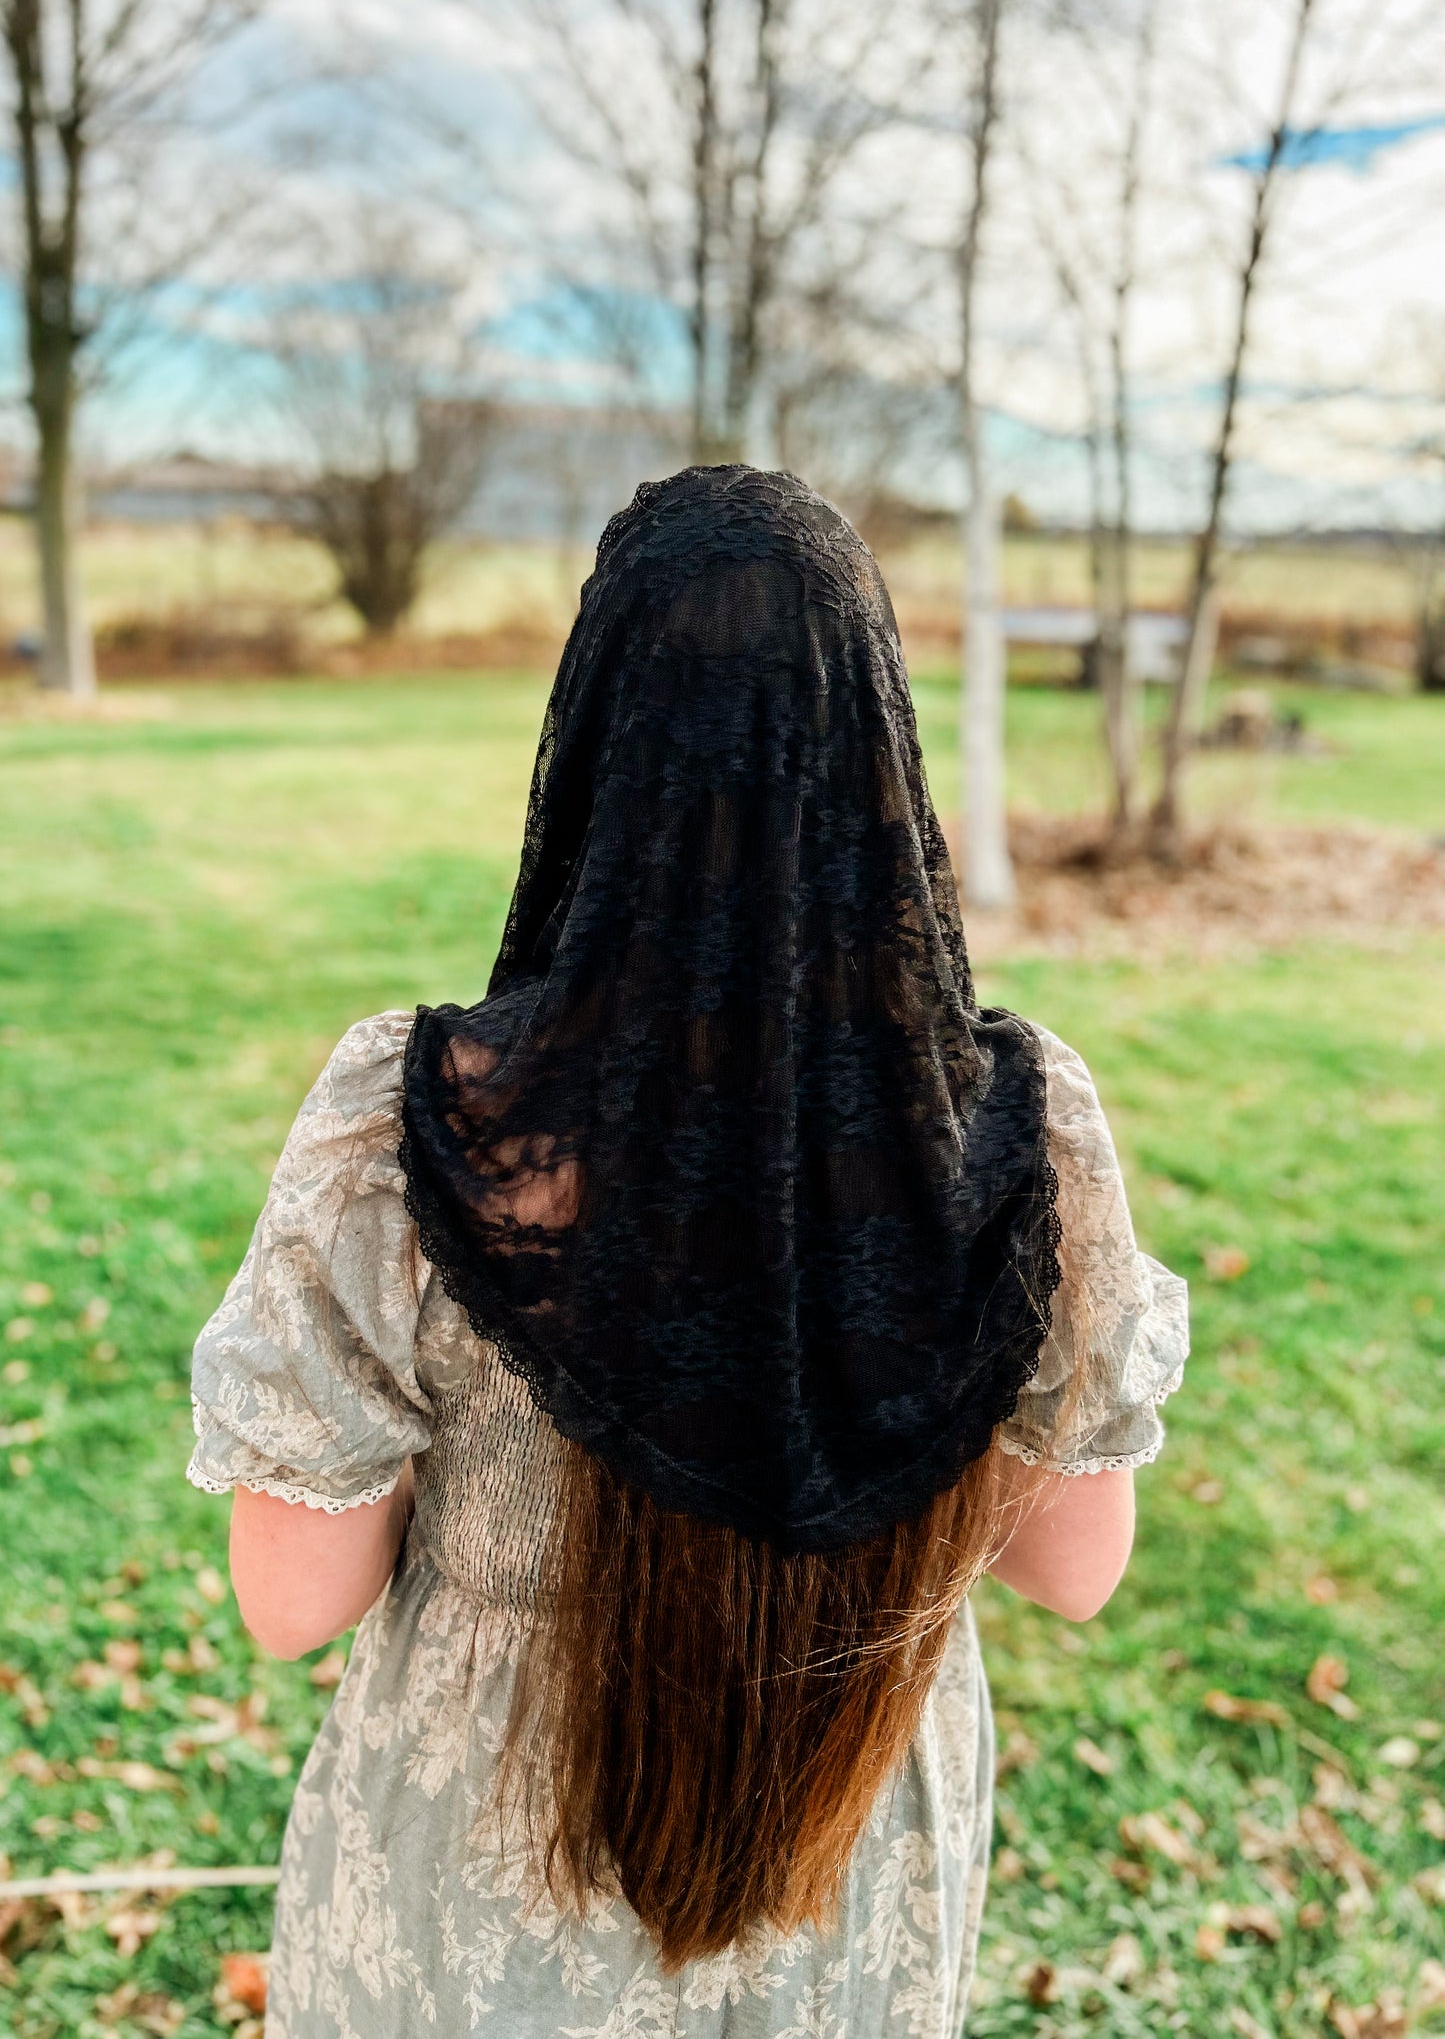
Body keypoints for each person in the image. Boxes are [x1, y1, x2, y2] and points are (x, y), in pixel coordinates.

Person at [189, 465, 1188, 2038]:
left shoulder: (418, 1119)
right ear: (878, 745)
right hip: (848, 1852)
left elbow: (291, 1599)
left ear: (591, 741)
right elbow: (1076, 1567)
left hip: (477, 1874)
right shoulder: (1024, 1123)